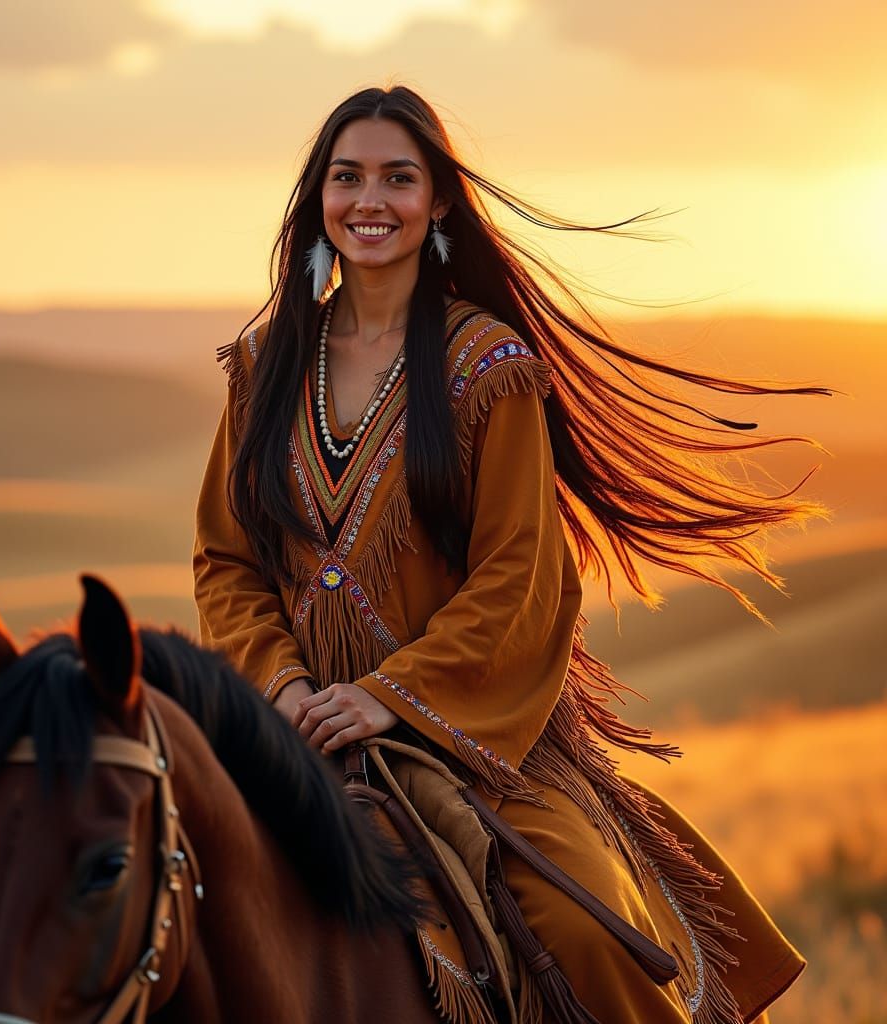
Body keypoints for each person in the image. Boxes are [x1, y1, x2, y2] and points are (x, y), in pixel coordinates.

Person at [193, 85, 821, 1023]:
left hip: (476, 742)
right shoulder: (263, 366)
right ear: (318, 197)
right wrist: (284, 689)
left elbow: (520, 577)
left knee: (584, 937)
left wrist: (385, 698)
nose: (371, 199)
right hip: (293, 729)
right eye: (347, 176)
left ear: (439, 201)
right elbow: (226, 561)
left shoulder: (489, 367)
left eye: (398, 178)